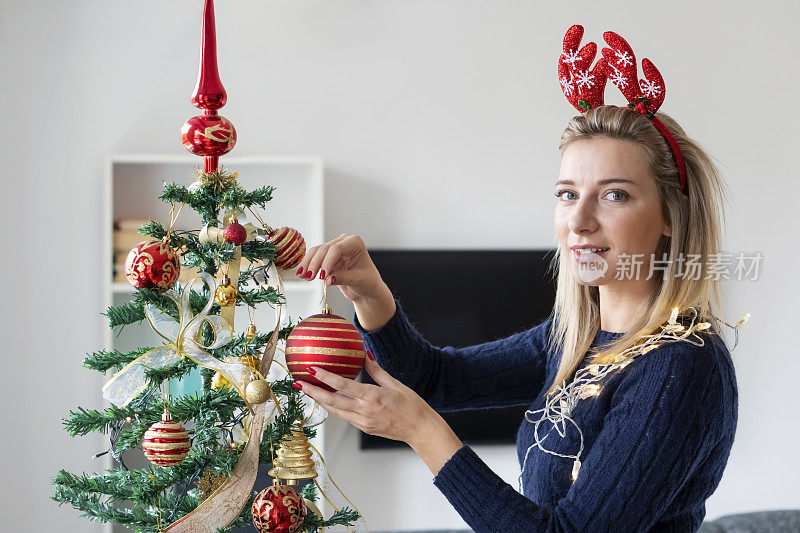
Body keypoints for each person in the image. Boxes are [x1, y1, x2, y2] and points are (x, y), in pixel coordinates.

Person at [289, 28, 740, 533]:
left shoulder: (681, 366)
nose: (579, 220)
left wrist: (422, 431)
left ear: (670, 219)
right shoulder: (572, 338)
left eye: (614, 195)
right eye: (568, 194)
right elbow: (436, 379)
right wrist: (370, 292)